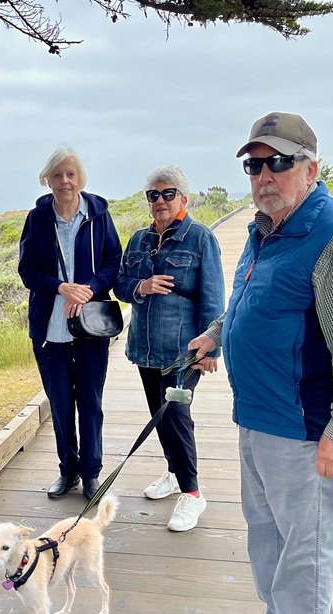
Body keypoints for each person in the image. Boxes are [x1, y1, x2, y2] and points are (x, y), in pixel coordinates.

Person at [188, 112, 333, 614]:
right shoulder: (267, 228)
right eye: (255, 165)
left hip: (303, 423)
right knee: (266, 532)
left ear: (311, 168)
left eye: (279, 162)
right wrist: (218, 334)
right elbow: (255, 301)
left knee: (305, 542)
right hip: (257, 413)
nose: (265, 176)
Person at [113, 166, 225, 532]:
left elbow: (213, 297)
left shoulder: (201, 238)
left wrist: (211, 349)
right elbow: (120, 285)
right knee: (159, 416)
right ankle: (175, 473)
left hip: (184, 351)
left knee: (175, 414)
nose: (160, 200)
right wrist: (141, 286)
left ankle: (192, 493)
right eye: (153, 195)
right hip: (145, 348)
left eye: (168, 193)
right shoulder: (138, 240)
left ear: (183, 199)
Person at [18, 147, 123, 502]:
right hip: (50, 329)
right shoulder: (37, 219)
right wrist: (61, 287)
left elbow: (113, 260)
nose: (65, 181)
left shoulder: (98, 214)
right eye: (58, 175)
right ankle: (68, 470)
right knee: (61, 405)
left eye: (71, 174)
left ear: (80, 178)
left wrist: (88, 289)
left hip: (91, 326)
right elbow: (27, 270)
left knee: (90, 403)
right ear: (47, 180)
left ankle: (91, 473)